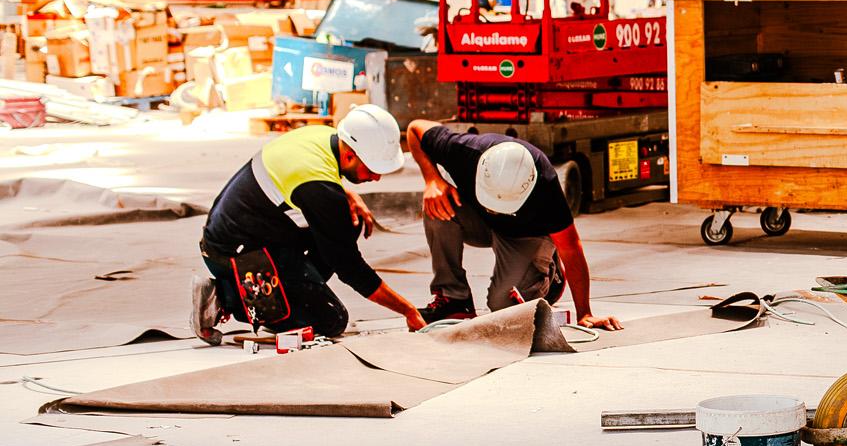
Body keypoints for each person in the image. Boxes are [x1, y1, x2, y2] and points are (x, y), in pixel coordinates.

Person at [192, 105, 423, 343]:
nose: (377, 178)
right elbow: (350, 268)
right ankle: (225, 297)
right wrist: (407, 310)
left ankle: (295, 294)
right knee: (331, 320)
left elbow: (308, 173)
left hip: (248, 231)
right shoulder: (318, 187)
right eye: (372, 169)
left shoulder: (324, 137)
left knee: (348, 222)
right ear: (349, 156)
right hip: (231, 254)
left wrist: (346, 194)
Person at [404, 119, 621, 331]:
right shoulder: (464, 151)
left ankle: (549, 274)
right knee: (436, 206)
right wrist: (432, 179)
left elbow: (571, 248)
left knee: (504, 308)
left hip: (525, 235)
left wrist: (585, 313)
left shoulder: (545, 184)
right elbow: (415, 129)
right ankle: (454, 300)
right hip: (481, 221)